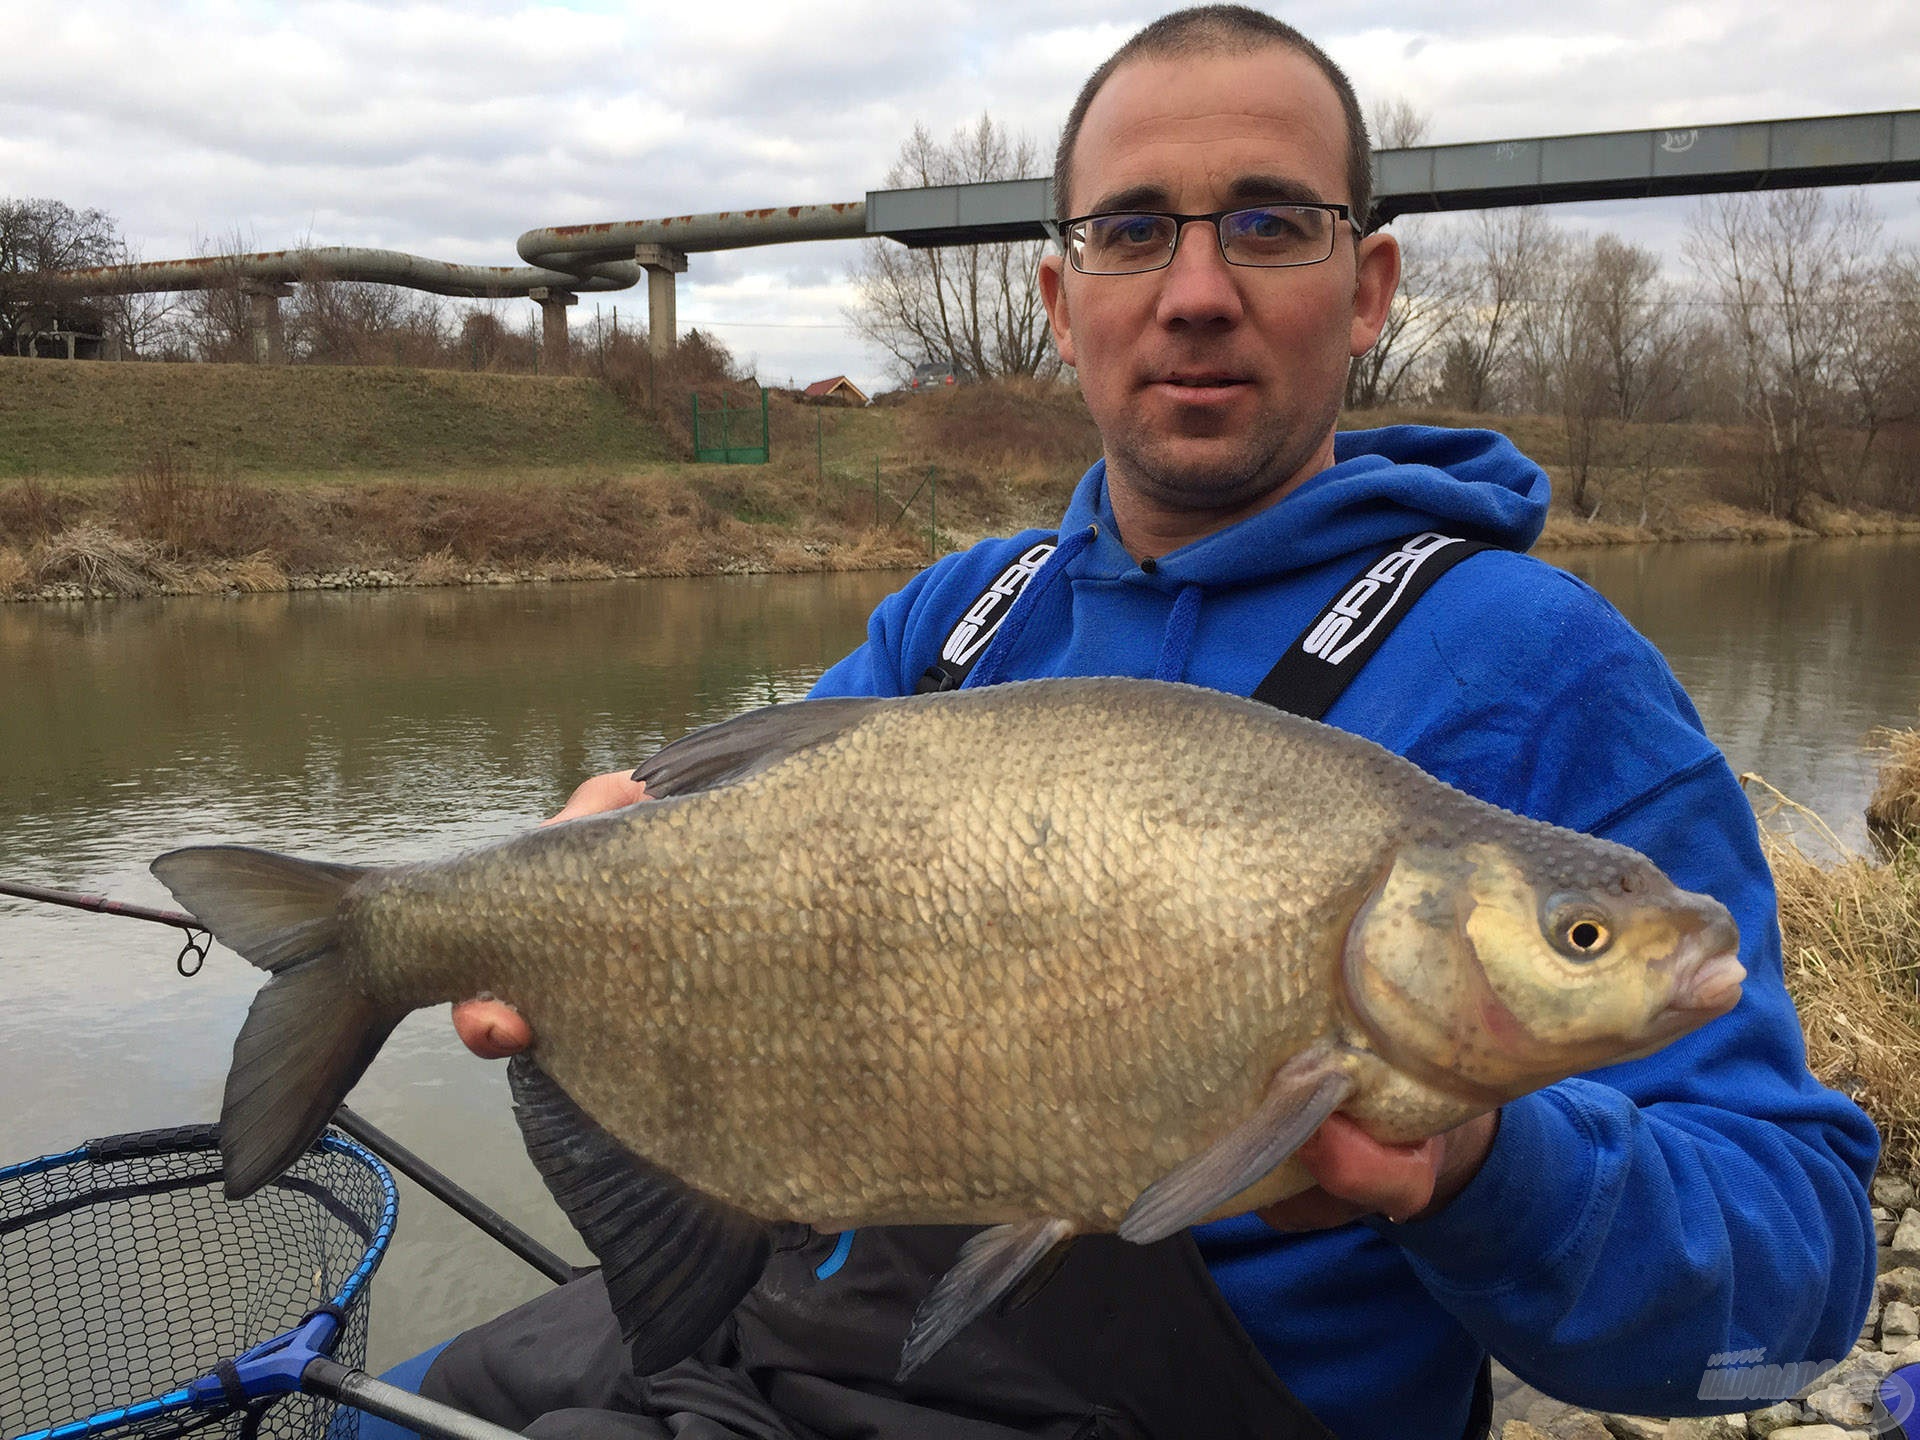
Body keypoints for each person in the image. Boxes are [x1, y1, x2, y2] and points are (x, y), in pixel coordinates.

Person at [436, 8, 1879, 1438]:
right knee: (429, 1403)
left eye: (1267, 226)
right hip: (792, 1358)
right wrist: (577, 888)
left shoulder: (1546, 668)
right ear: (1061, 303)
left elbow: (1788, 1307)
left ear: (1367, 287)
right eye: (1131, 233)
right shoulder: (954, 622)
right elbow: (710, 857)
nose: (1195, 289)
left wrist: (1481, 1166)